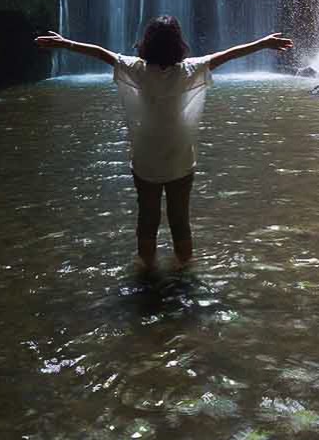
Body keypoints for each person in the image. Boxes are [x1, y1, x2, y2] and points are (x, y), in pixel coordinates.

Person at [35, 16, 293, 271]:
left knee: (147, 219)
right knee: (180, 220)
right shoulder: (190, 70)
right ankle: (185, 269)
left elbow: (101, 54)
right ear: (179, 44)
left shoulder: (136, 69)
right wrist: (263, 43)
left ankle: (147, 270)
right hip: (179, 159)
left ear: (146, 43)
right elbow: (228, 55)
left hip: (146, 159)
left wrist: (65, 43)